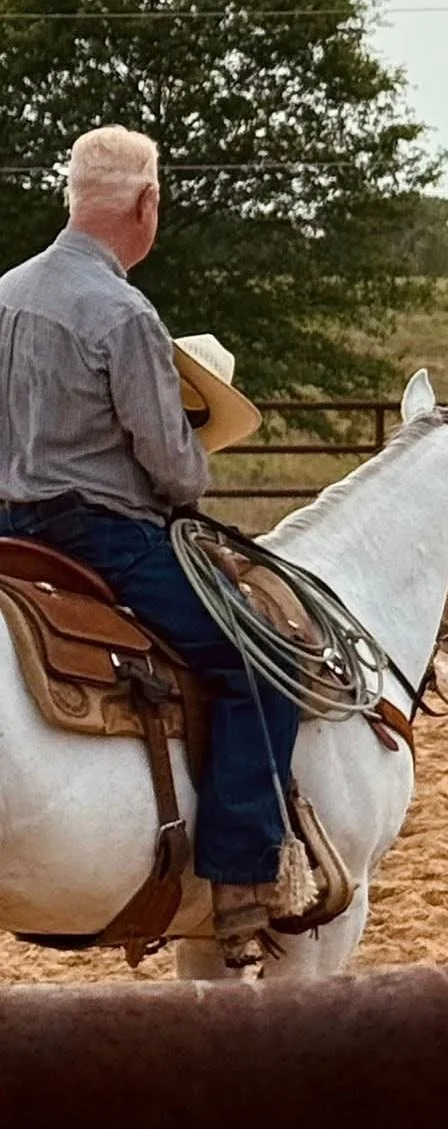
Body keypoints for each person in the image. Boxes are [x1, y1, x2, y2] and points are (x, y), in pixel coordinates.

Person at [0, 125, 299, 967]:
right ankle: (240, 879)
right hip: (101, 540)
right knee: (257, 660)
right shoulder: (124, 314)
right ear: (147, 204)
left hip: (7, 537)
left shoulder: (5, 295)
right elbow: (172, 469)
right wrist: (189, 467)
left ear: (72, 196)